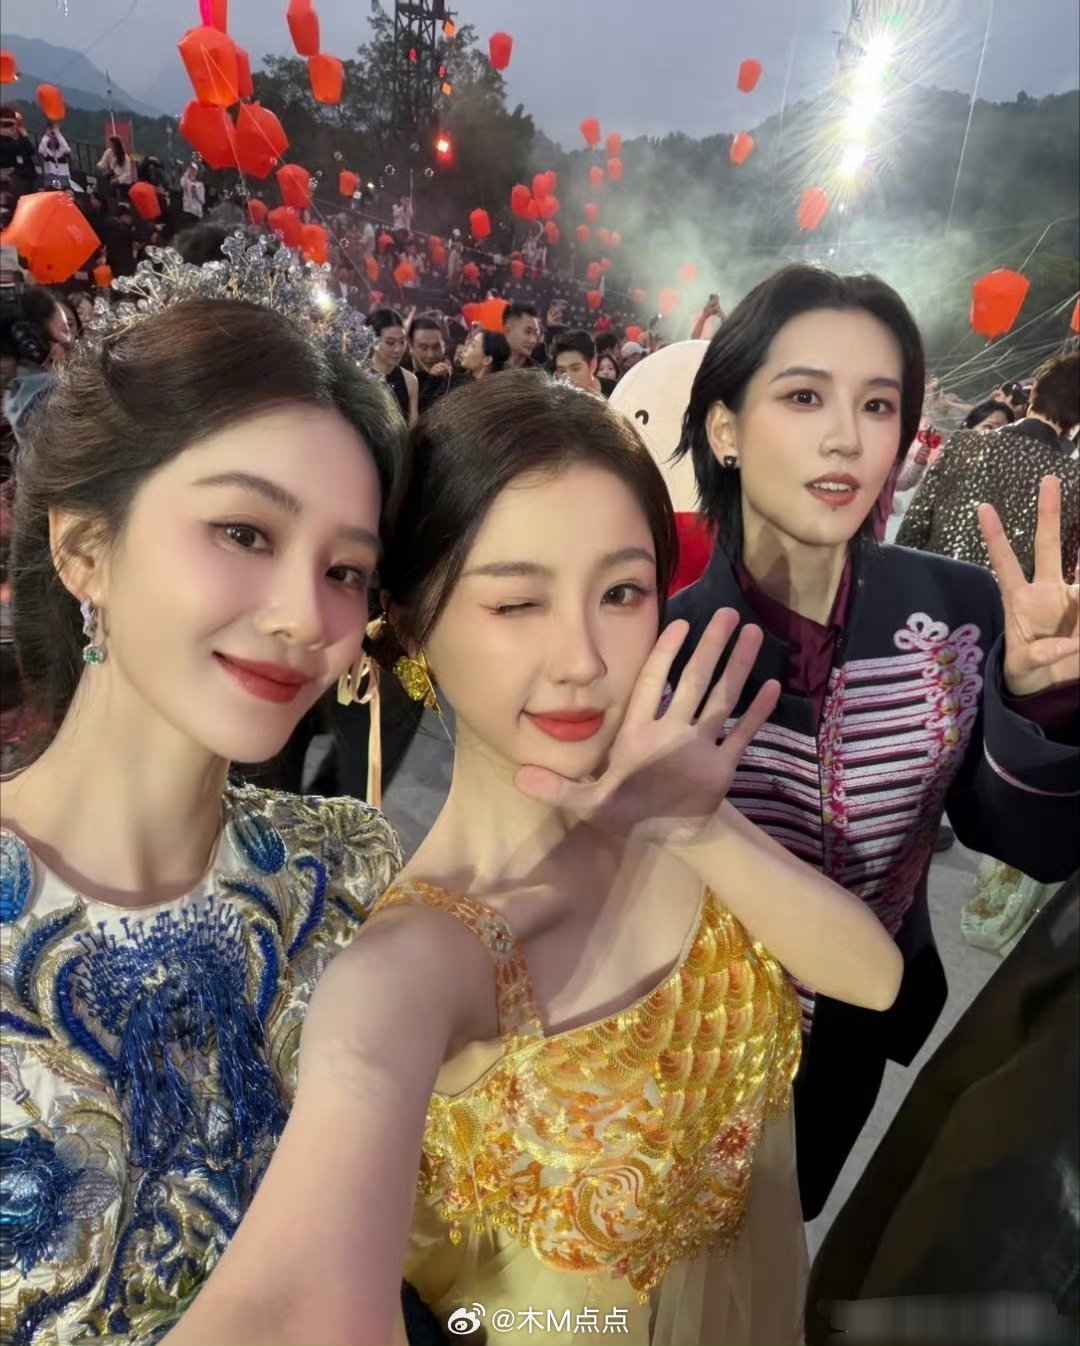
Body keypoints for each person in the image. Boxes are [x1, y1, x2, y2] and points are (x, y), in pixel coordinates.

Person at [160, 373, 902, 1346]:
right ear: (412, 622)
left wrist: (699, 829)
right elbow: (281, 1296)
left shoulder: (664, 809)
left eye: (621, 593)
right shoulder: (418, 960)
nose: (583, 659)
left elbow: (874, 979)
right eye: (517, 603)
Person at [0, 242, 408, 1344]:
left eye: (345, 570)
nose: (304, 615)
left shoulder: (346, 873)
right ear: (84, 547)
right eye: (243, 532)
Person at [667, 263, 1080, 1220]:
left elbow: (1031, 843)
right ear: (724, 428)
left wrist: (1041, 702)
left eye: (879, 404)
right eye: (804, 396)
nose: (847, 438)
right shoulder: (662, 645)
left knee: (795, 1219)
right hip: (683, 1046)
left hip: (852, 1037)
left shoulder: (959, 610)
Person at [898, 352, 1079, 580]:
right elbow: (1058, 575)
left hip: (930, 589)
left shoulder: (966, 442)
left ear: (1034, 392)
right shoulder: (1071, 479)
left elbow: (913, 529)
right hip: (1000, 601)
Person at [408, 312, 468, 412]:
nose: (430, 355)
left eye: (436, 347)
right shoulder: (400, 378)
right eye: (423, 348)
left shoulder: (456, 380)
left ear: (444, 345)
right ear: (410, 346)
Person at [368, 306, 418, 426]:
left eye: (402, 342)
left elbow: (413, 428)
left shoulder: (410, 380)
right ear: (373, 341)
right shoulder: (358, 376)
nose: (398, 349)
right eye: (390, 343)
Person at [552, 328, 612, 397]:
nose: (568, 378)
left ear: (593, 364)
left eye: (575, 369)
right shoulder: (555, 398)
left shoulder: (615, 391)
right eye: (562, 371)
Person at [0, 104, 39, 201]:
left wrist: (24, 137)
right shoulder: (8, 141)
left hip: (26, 176)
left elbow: (30, 151)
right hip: (13, 176)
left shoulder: (19, 139)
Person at [502, 300, 541, 369]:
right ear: (507, 331)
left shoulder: (537, 372)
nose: (533, 340)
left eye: (535, 333)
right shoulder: (489, 367)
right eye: (527, 332)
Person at [38, 122, 72, 188]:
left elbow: (67, 149)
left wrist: (57, 133)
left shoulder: (61, 147)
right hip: (49, 174)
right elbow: (41, 150)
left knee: (63, 190)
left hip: (62, 174)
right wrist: (46, 136)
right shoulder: (45, 147)